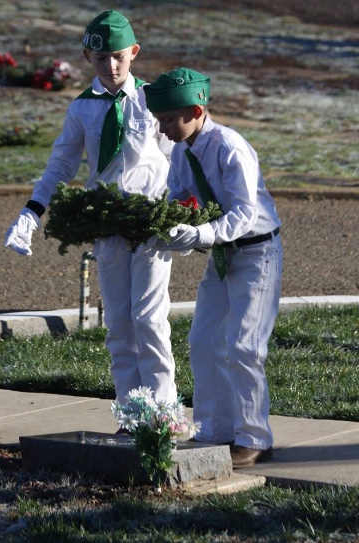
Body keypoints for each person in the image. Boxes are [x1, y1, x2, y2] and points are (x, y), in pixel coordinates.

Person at [4, 10, 177, 412]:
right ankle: (132, 413)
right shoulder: (82, 109)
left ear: (133, 52)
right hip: (107, 223)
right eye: (101, 59)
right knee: (119, 323)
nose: (111, 66)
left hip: (151, 223)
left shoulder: (154, 100)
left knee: (149, 320)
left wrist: (183, 210)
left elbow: (177, 158)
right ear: (87, 58)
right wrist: (32, 212)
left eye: (119, 56)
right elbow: (61, 165)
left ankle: (165, 414)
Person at [144, 67, 283, 468]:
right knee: (204, 341)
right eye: (160, 120)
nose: (164, 128)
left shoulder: (230, 147)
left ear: (196, 109)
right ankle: (215, 429)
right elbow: (180, 195)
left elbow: (244, 212)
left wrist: (201, 234)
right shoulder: (183, 151)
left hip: (257, 253)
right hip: (224, 256)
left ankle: (254, 437)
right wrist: (165, 228)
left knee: (244, 346)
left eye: (170, 119)